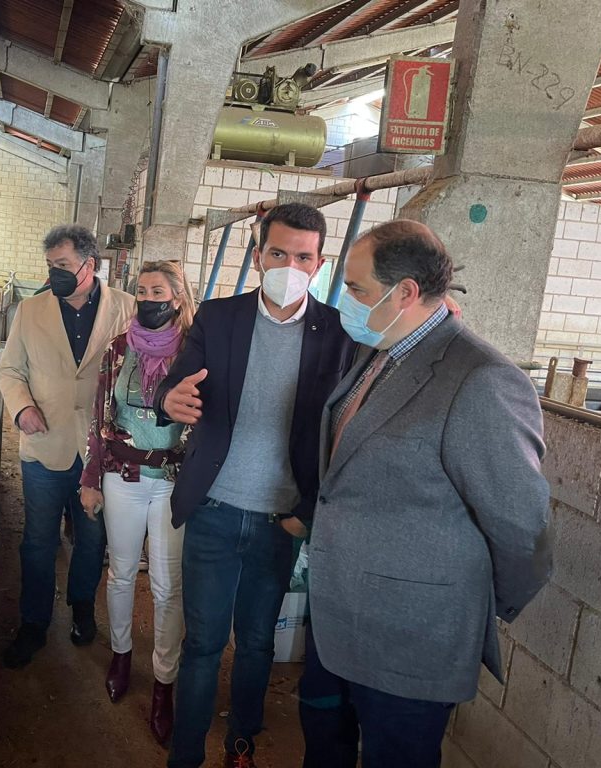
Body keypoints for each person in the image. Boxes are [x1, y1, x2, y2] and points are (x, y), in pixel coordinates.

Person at [299, 220, 551, 768]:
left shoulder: (480, 379)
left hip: (412, 633)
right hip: (339, 614)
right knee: (324, 744)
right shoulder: (382, 349)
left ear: (405, 293)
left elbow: (522, 526)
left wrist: (469, 606)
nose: (346, 300)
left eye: (358, 289)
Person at [155, 203, 358, 768]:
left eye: (302, 256)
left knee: (258, 644)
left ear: (319, 264)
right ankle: (186, 754)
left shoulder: (339, 334)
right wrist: (168, 401)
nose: (288, 265)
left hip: (279, 519)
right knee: (202, 643)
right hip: (215, 510)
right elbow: (172, 387)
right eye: (277, 253)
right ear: (257, 255)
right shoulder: (219, 319)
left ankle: (240, 742)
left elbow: (345, 432)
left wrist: (307, 511)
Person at [0, 224, 135, 669]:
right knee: (38, 540)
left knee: (92, 538)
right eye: (50, 266)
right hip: (44, 445)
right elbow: (10, 371)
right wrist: (21, 409)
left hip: (99, 450)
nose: (54, 273)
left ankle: (81, 609)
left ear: (89, 265)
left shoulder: (126, 309)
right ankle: (34, 623)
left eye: (62, 266)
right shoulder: (31, 310)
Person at [79, 260, 196, 747]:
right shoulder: (117, 350)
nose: (149, 299)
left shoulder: (195, 351)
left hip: (172, 479)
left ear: (177, 297)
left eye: (159, 291)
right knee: (123, 571)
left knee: (169, 586)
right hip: (122, 475)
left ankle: (164, 684)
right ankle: (122, 654)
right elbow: (100, 417)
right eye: (142, 291)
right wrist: (91, 476)